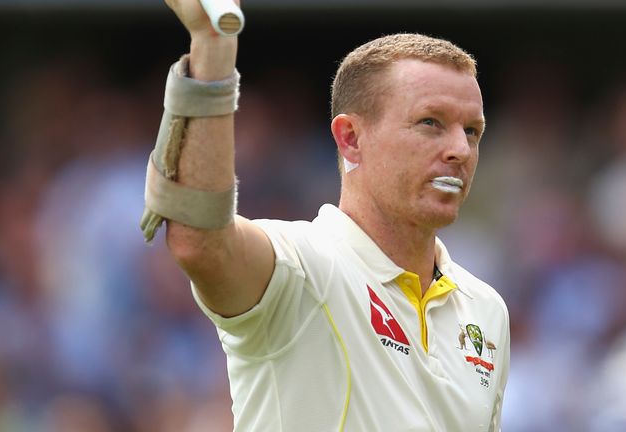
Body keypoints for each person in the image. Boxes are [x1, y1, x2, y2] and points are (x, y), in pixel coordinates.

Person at [146, 0, 510, 430]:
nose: (460, 150)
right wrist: (213, 48)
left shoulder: (486, 310)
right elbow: (199, 241)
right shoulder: (302, 266)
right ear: (351, 138)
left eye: (472, 130)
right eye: (431, 122)